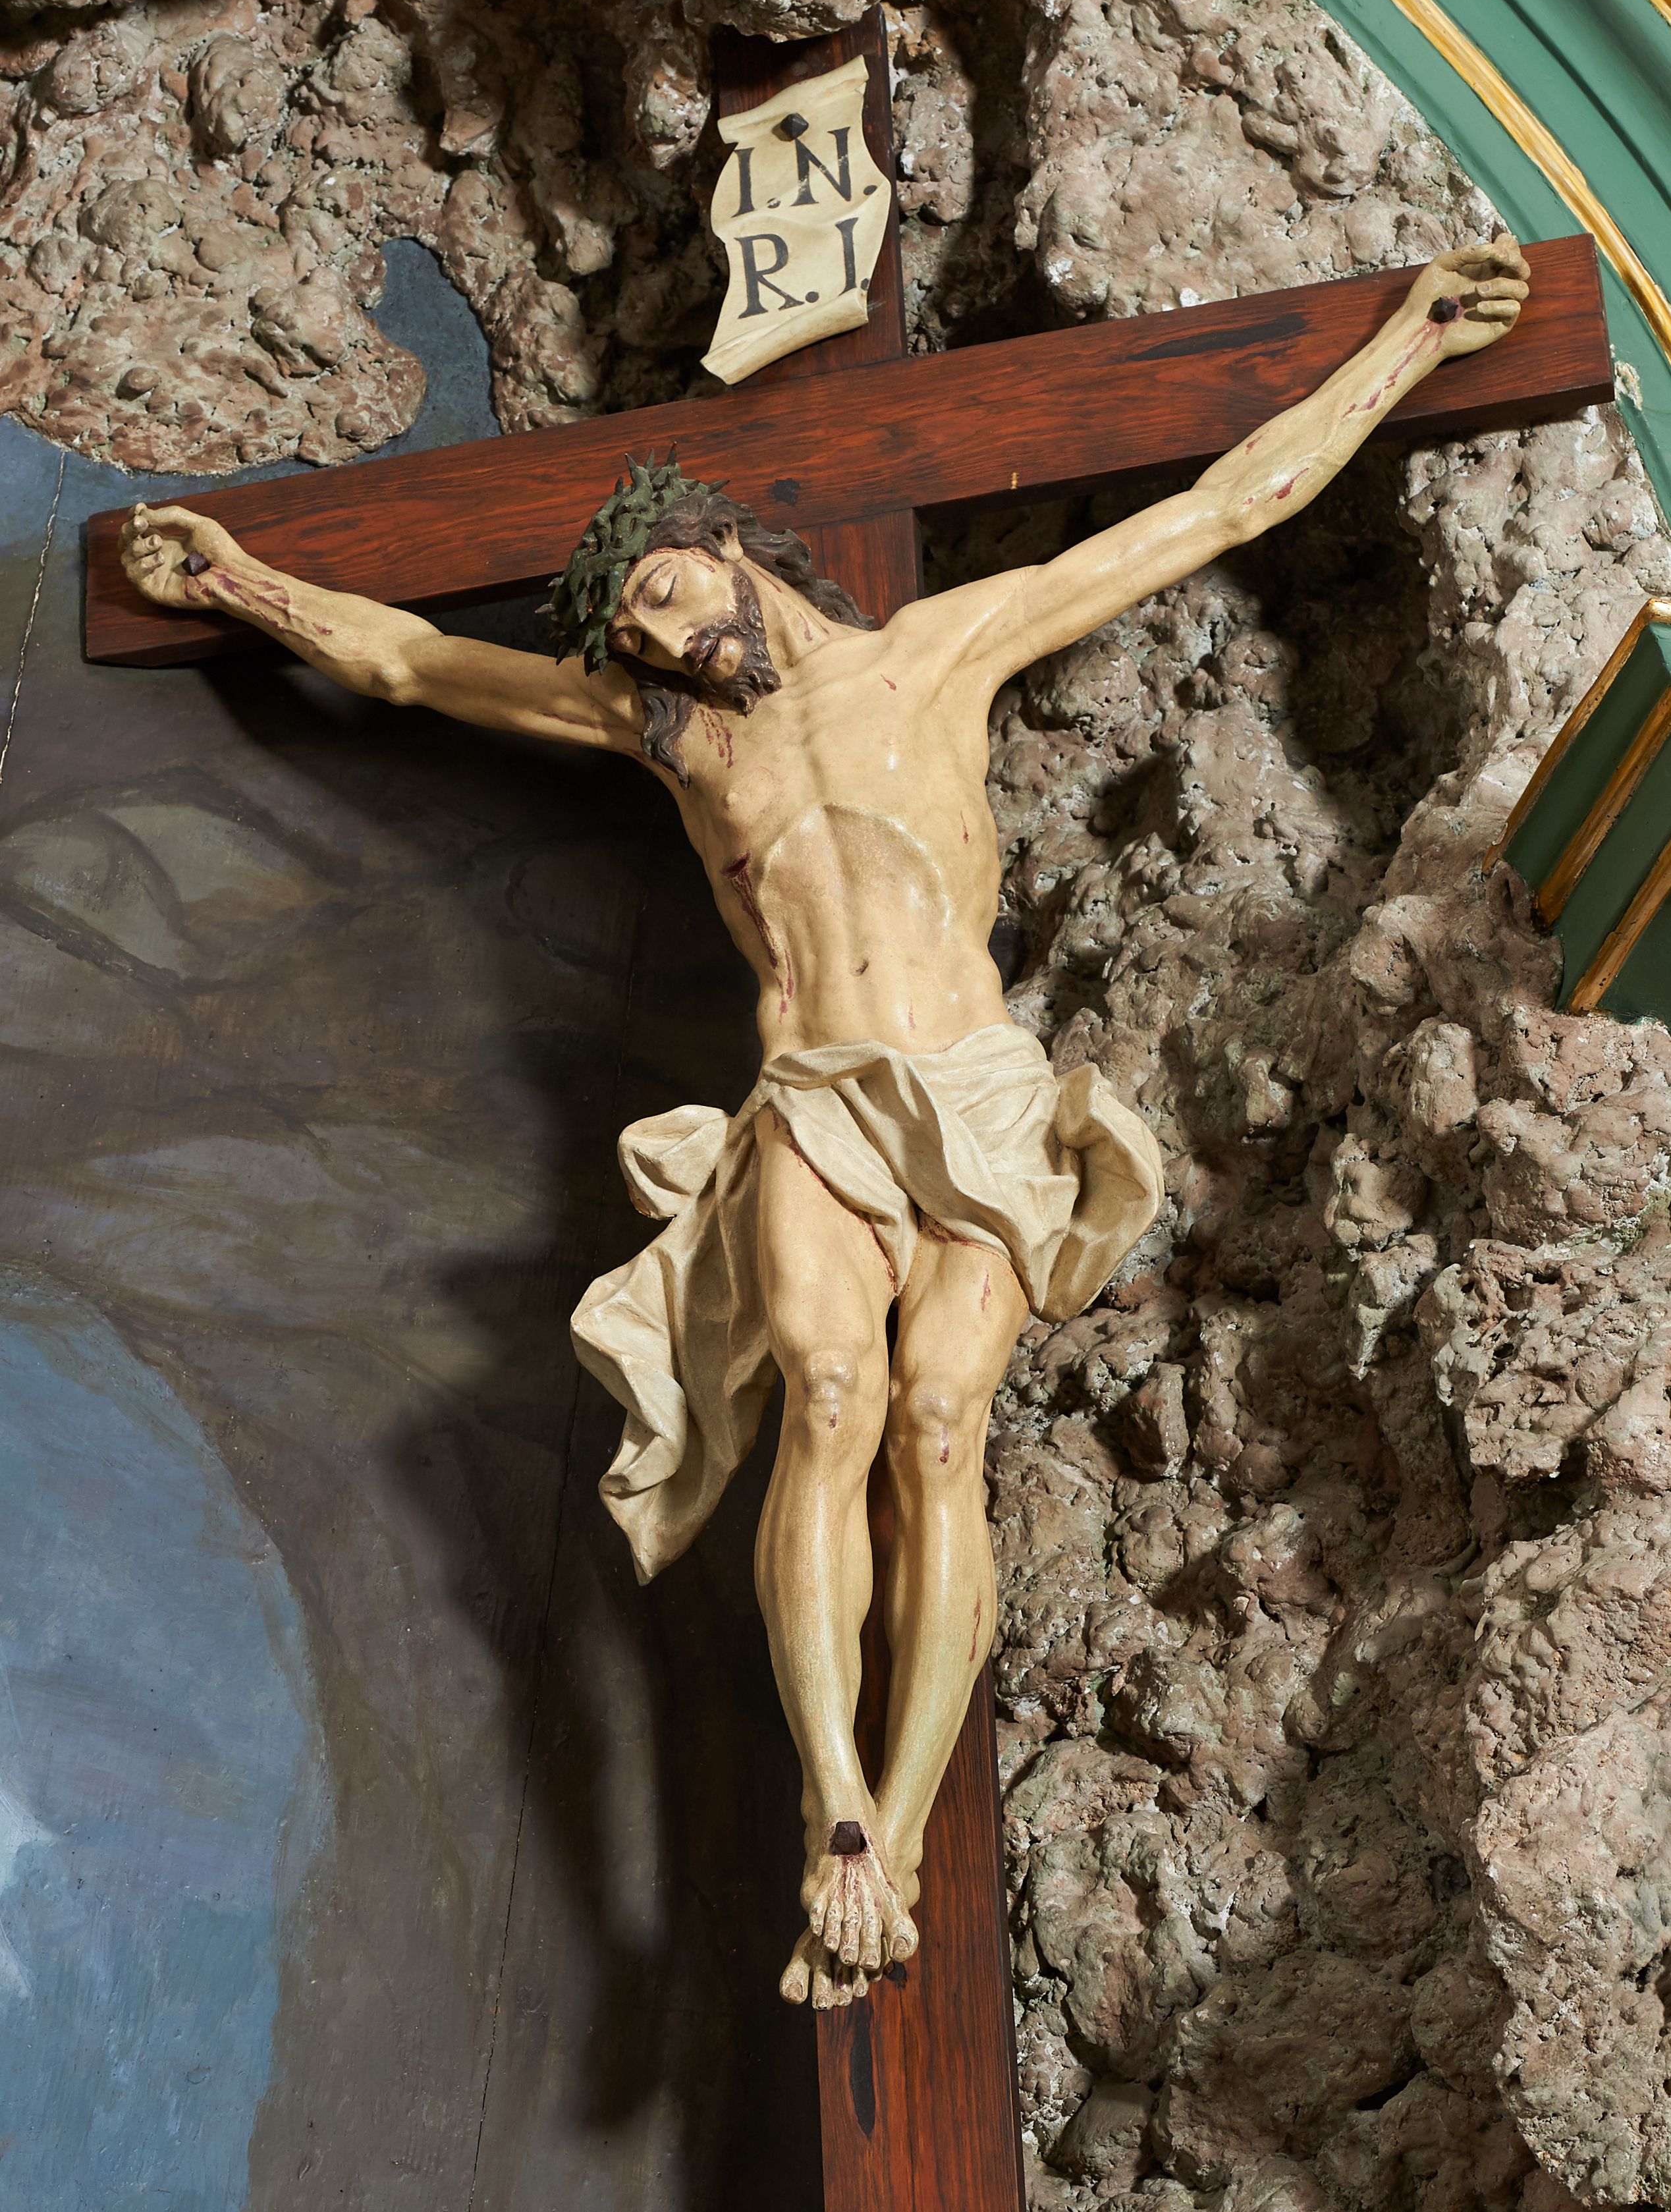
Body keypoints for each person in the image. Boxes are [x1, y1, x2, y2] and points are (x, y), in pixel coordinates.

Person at [122, 237, 1529, 2006]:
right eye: (637, 637)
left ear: (724, 547)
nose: (664, 641)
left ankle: (904, 1827)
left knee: (939, 1420)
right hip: (807, 1102)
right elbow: (410, 664)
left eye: (665, 596)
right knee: (830, 1395)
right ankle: (834, 1811)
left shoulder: (938, 653)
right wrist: (240, 581)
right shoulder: (674, 740)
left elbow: (1214, 509)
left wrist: (1404, 342)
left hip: (971, 1095)